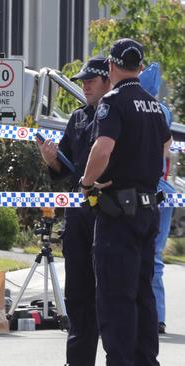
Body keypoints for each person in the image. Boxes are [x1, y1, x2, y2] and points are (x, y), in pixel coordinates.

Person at [79, 38, 171, 366]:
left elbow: (102, 148)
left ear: (112, 67)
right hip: (149, 211)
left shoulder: (113, 102)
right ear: (141, 67)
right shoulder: (154, 106)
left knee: (117, 299)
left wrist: (87, 183)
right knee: (143, 296)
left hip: (118, 214)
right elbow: (165, 150)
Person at [36, 56, 110, 366]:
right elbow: (64, 167)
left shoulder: (116, 116)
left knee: (109, 295)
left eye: (92, 79)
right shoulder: (79, 118)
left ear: (109, 79)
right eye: (83, 80)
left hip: (108, 216)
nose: (86, 85)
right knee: (78, 297)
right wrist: (50, 157)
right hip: (79, 216)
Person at [139, 62, 175, 335]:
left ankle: (140, 314)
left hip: (145, 189)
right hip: (165, 191)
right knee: (156, 256)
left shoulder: (133, 107)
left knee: (137, 254)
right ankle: (157, 316)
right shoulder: (164, 111)